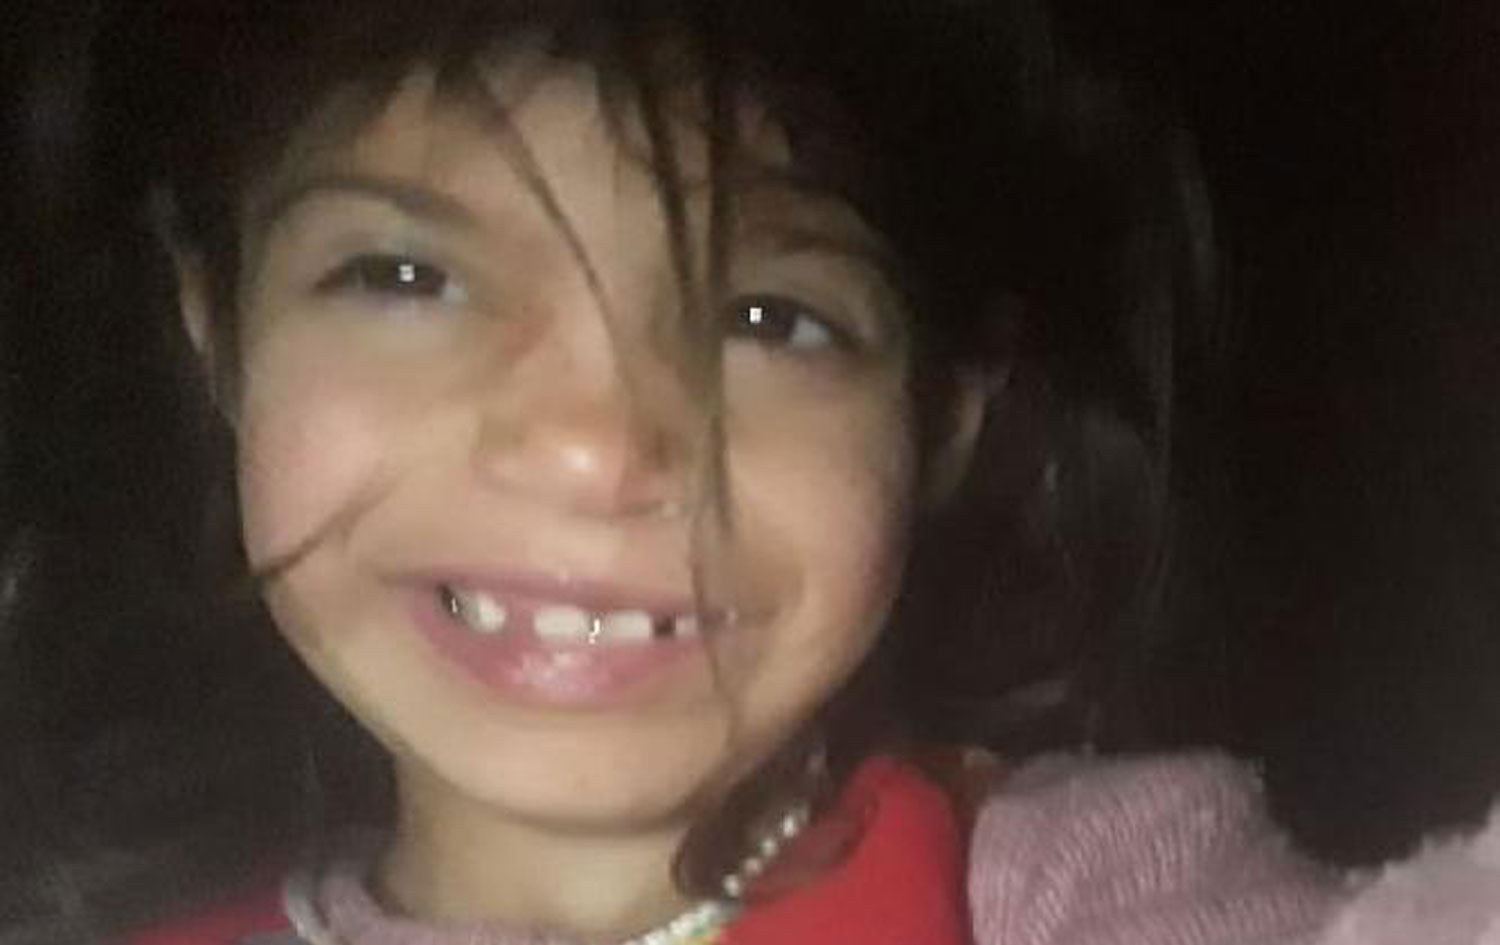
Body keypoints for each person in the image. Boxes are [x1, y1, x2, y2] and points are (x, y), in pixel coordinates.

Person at [0, 1, 1335, 943]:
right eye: (404, 277)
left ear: (942, 421)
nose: (592, 447)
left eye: (769, 319)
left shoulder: (1075, 888)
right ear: (221, 338)